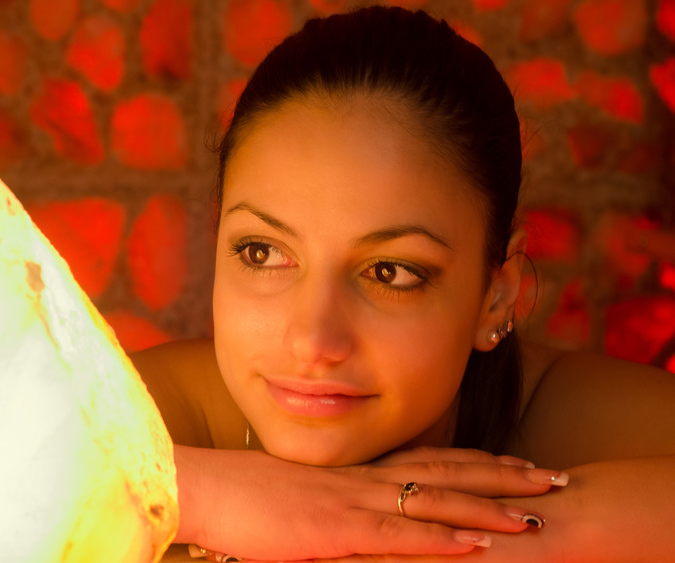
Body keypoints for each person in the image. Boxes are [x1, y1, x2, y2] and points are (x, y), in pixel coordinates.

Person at [131, 6, 675, 562]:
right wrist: (206, 495)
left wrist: (482, 537)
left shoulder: (561, 415)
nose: (313, 341)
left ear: (496, 297)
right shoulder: (141, 416)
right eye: (263, 252)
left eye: (389, 272)